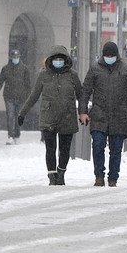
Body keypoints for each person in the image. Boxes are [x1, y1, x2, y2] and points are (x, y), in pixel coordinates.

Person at [18, 45, 84, 186]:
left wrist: (83, 112)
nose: (58, 61)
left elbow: (81, 95)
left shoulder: (73, 75)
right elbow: (34, 95)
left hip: (67, 116)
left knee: (65, 149)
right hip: (49, 117)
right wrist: (22, 113)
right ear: (51, 60)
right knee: (50, 148)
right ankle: (52, 175)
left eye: (61, 59)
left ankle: (61, 173)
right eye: (56, 59)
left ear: (66, 60)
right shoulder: (44, 75)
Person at [79, 41, 127, 187]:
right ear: (103, 55)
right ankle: (99, 176)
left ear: (117, 55)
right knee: (98, 145)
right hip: (99, 114)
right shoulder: (95, 69)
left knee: (116, 149)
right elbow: (85, 91)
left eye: (112, 55)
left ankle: (113, 178)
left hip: (120, 115)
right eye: (107, 55)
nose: (109, 57)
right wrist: (83, 112)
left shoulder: (126, 69)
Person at [0, 48, 32, 145]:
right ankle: (10, 136)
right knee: (10, 116)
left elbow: (28, 84)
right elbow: (0, 82)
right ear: (11, 57)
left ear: (19, 57)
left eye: (17, 56)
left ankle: (17, 135)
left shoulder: (24, 69)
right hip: (9, 96)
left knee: (18, 116)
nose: (15, 58)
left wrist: (29, 96)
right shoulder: (6, 68)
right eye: (14, 56)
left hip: (21, 96)